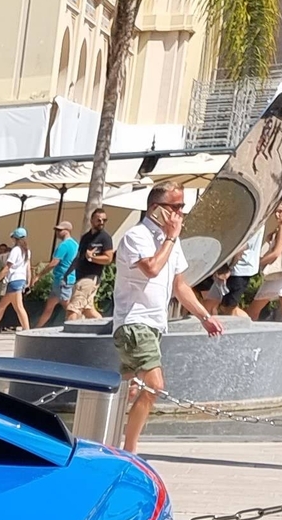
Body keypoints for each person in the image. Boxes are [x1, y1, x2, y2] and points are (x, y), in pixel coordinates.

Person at [113, 184, 224, 453]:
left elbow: (180, 286)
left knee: (129, 389)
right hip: (134, 321)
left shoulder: (170, 242)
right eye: (174, 207)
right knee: (154, 385)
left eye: (182, 207)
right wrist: (171, 239)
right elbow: (151, 268)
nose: (180, 213)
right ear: (156, 209)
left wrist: (203, 316)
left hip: (153, 325)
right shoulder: (136, 236)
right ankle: (130, 450)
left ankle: (110, 444)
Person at [0, 227, 34, 336]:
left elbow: (7, 267)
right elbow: (28, 268)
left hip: (14, 281)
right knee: (1, 307)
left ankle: (28, 332)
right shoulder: (27, 251)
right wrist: (28, 282)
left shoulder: (15, 250)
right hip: (20, 280)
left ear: (15, 238)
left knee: (19, 308)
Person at [66, 210, 113, 321]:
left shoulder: (105, 238)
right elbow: (79, 257)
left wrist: (92, 258)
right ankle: (104, 330)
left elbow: (108, 258)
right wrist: (68, 272)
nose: (101, 222)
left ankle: (67, 336)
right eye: (98, 220)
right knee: (88, 310)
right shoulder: (85, 237)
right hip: (80, 277)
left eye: (104, 220)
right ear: (92, 220)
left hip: (90, 278)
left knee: (73, 309)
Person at [34, 220, 82, 327]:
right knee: (49, 307)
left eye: (59, 230)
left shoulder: (64, 245)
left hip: (62, 280)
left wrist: (39, 275)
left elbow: (54, 263)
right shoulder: (75, 244)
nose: (57, 232)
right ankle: (36, 329)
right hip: (65, 279)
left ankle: (78, 326)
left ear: (66, 231)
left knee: (69, 307)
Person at [218, 210, 263, 317]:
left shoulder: (249, 224)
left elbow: (240, 248)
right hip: (243, 269)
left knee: (228, 307)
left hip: (239, 269)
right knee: (227, 306)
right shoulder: (258, 223)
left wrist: (229, 267)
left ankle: (248, 327)